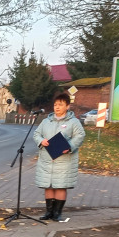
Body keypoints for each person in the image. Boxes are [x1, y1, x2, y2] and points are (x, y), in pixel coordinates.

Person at [33, 91, 85, 221]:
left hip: (64, 159)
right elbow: (36, 134)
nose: (57, 107)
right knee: (48, 185)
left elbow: (80, 135)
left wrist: (69, 146)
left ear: (67, 106)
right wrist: (41, 141)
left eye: (60, 105)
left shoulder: (73, 122)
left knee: (60, 185)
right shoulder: (46, 121)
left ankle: (57, 213)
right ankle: (48, 212)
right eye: (55, 104)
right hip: (47, 159)